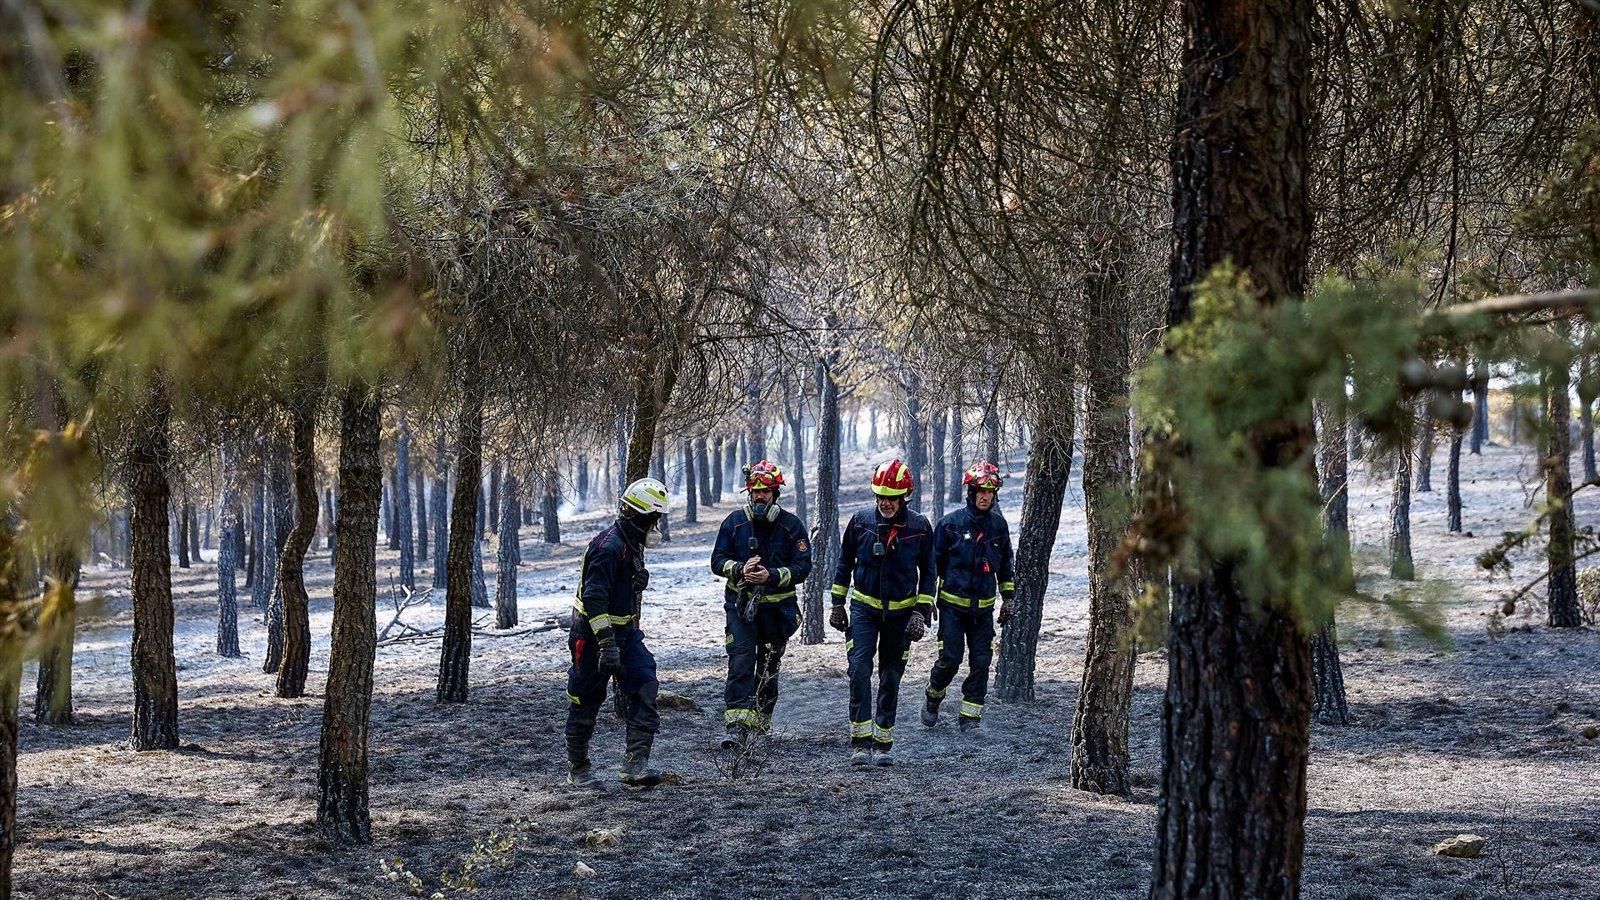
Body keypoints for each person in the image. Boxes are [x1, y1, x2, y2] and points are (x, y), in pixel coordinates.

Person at [828, 459, 936, 767]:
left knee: (891, 676)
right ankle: (860, 743)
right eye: (881, 496)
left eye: (892, 497)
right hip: (864, 610)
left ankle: (883, 743)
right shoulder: (860, 521)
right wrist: (837, 603)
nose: (885, 503)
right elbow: (844, 563)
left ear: (905, 498)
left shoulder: (919, 527)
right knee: (859, 670)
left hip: (901, 616)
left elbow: (929, 573)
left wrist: (920, 611)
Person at [565, 477, 671, 788]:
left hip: (625, 633)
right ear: (642, 516)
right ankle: (579, 769)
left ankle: (634, 767)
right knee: (586, 698)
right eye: (655, 518)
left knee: (644, 682)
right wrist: (607, 644)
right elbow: (594, 597)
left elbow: (613, 589)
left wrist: (633, 580)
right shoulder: (609, 547)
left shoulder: (629, 542)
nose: (657, 525)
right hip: (593, 636)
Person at [710, 460, 812, 751]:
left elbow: (804, 566)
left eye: (766, 491)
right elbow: (717, 561)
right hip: (741, 608)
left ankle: (762, 722)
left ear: (775, 494)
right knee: (741, 661)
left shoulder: (792, 526)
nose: (759, 496)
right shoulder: (734, 523)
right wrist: (740, 569)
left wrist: (774, 576)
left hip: (777, 613)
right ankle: (736, 727)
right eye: (755, 491)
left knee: (768, 666)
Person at [920, 461, 1016, 731]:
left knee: (981, 662)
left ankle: (969, 718)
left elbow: (1006, 565)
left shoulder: (999, 527)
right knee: (950, 660)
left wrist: (1008, 599)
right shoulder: (949, 525)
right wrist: (928, 600)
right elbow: (931, 566)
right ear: (971, 493)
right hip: (951, 608)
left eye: (990, 492)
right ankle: (933, 695)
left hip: (983, 611)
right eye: (980, 491)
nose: (985, 497)